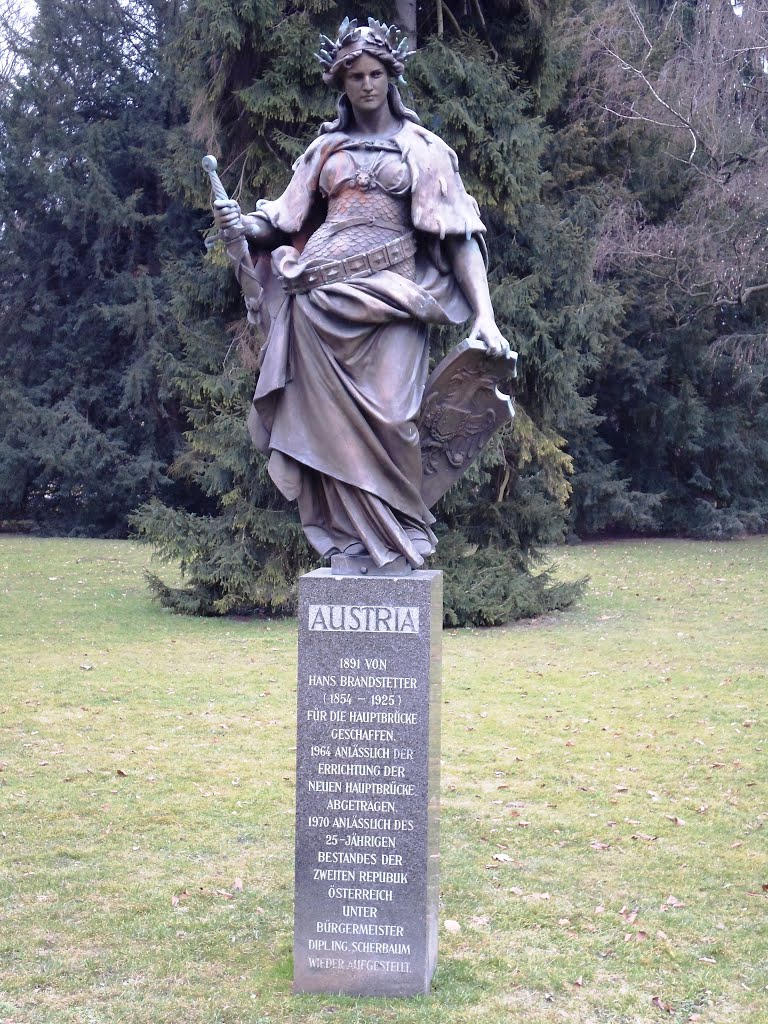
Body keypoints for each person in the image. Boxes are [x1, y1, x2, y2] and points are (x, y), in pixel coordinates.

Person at [213, 17, 511, 571]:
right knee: (325, 431)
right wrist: (240, 222)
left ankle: (405, 531)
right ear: (342, 83)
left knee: (396, 418)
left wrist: (485, 317)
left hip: (395, 295)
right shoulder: (325, 151)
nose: (367, 84)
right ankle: (348, 541)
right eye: (355, 76)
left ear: (390, 77)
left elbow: (461, 240)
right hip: (318, 303)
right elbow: (278, 221)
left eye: (375, 73)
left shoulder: (423, 149)